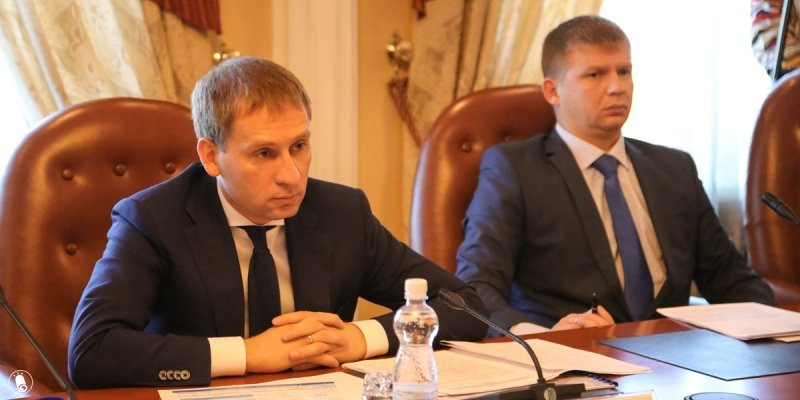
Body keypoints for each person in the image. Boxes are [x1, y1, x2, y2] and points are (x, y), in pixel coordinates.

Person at [68, 57, 487, 388]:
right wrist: (248, 353)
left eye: (299, 146)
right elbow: (92, 352)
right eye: (264, 153)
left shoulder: (342, 213)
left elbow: (466, 306)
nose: (291, 175)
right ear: (211, 157)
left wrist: (358, 338)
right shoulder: (152, 219)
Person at [456, 15, 774, 335]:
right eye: (595, 75)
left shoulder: (675, 169)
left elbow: (730, 279)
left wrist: (777, 331)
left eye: (624, 72)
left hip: (673, 355)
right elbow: (476, 286)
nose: (617, 87)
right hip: (568, 353)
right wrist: (539, 337)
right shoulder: (515, 169)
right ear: (553, 91)